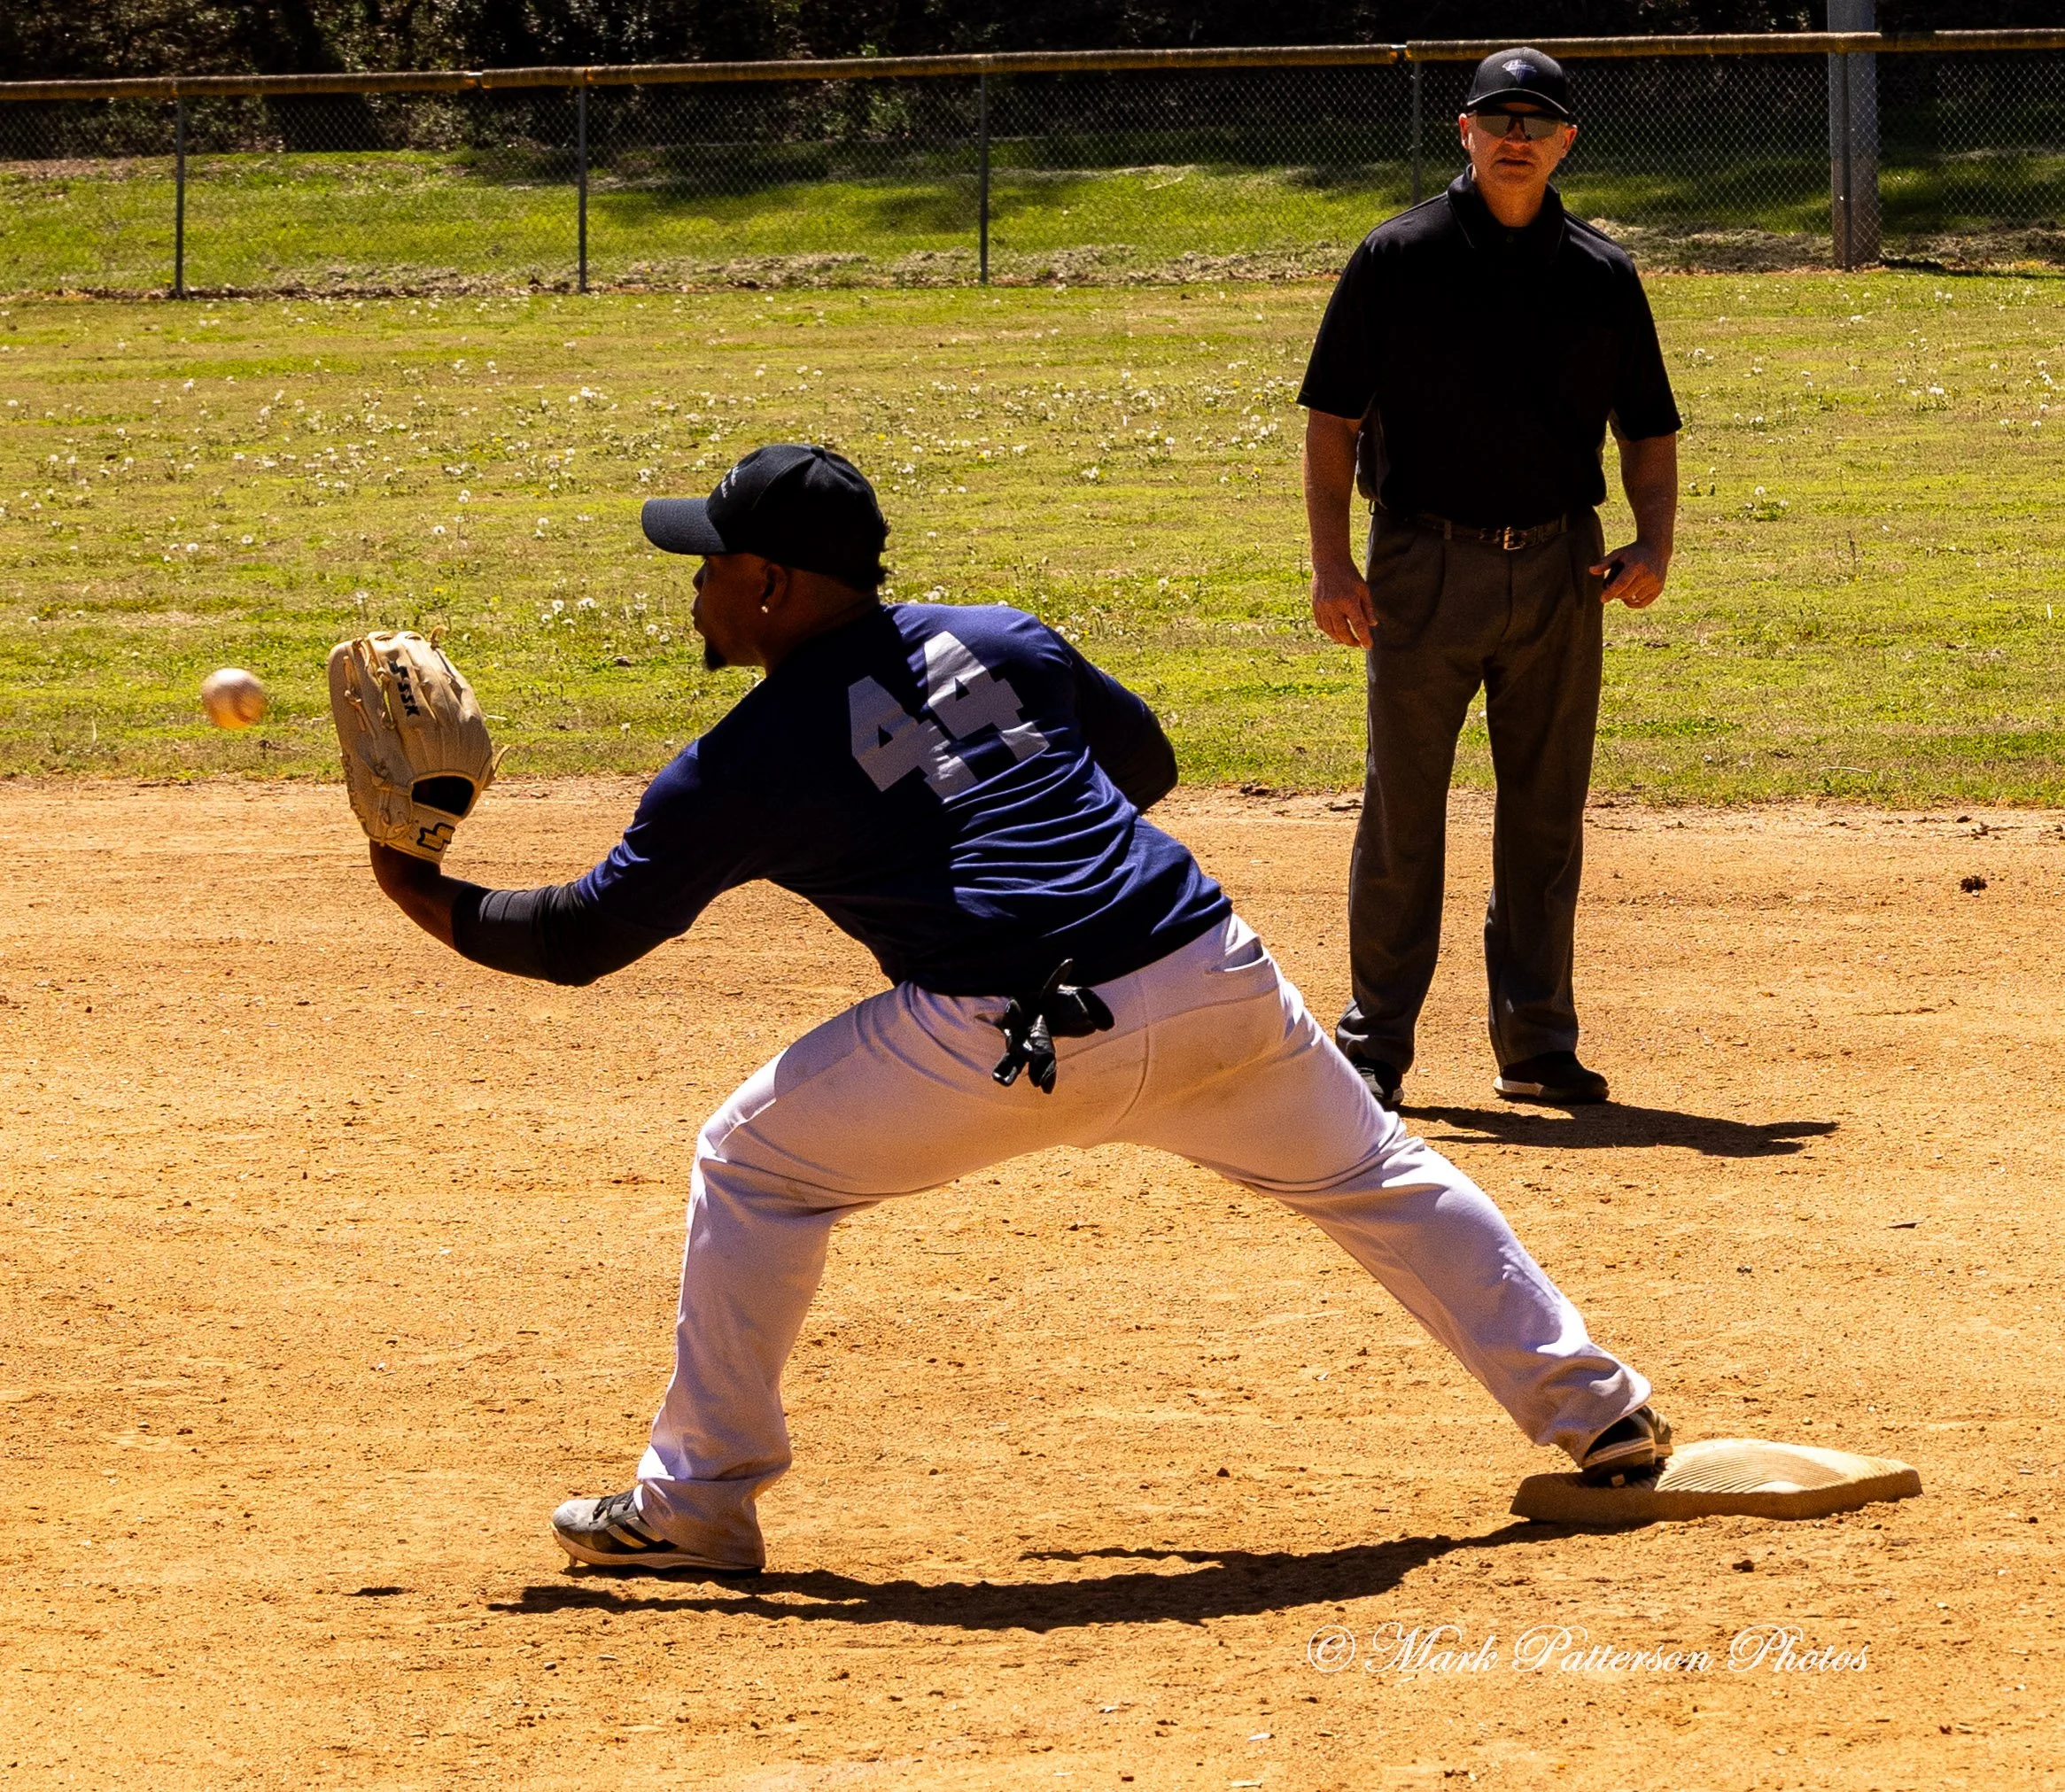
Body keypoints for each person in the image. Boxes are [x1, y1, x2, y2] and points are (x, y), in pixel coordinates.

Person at [361, 442, 1671, 1573]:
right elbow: (1143, 760)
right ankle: (1595, 1409)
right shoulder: (996, 637)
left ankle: (696, 1505)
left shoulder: (743, 761)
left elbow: (583, 936)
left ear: (768, 583)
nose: (695, 583)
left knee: (751, 1162)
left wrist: (407, 877)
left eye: (710, 561)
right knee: (1376, 1173)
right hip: (1210, 969)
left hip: (1005, 1034)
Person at [1298, 47, 1682, 1113]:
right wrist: (1333, 562)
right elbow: (1331, 419)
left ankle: (1536, 1041)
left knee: (1546, 815)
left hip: (1564, 565)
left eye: (1538, 120)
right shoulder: (1397, 256)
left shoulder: (1602, 275)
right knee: (1403, 813)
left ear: (1567, 142)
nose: (1517, 134)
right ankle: (1375, 1042)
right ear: (1463, 131)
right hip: (1421, 560)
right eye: (1497, 117)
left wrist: (1654, 543)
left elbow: (1648, 428)